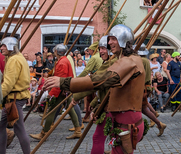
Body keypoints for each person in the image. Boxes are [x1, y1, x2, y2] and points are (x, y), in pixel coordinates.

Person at [44, 24, 146, 154]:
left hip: (127, 123)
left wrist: (64, 82)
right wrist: (98, 107)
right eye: (109, 39)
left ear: (123, 39)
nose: (110, 43)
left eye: (113, 39)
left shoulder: (130, 61)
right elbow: (111, 91)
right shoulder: (122, 60)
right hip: (121, 121)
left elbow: (103, 79)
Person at [30, 44, 81, 140]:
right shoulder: (63, 60)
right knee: (70, 109)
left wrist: (51, 94)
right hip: (66, 89)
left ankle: (43, 133)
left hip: (61, 91)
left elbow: (60, 81)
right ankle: (78, 130)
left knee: (51, 111)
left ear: (57, 52)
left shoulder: (62, 62)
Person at [0, 37, 31, 154]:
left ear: (10, 46)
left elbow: (8, 83)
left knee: (19, 129)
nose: (1, 48)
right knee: (2, 126)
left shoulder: (14, 60)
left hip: (14, 99)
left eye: (3, 45)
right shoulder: (18, 57)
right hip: (14, 98)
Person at [77, 42, 103, 122]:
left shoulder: (94, 57)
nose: (89, 52)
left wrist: (77, 79)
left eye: (90, 50)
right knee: (92, 98)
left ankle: (89, 116)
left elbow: (86, 70)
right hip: (99, 79)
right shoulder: (100, 56)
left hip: (95, 80)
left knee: (90, 98)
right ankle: (88, 116)